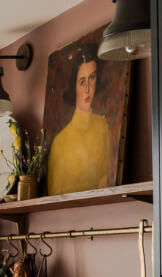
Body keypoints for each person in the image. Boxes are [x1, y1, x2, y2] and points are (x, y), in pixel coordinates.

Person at [47, 45, 113, 194]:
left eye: (92, 77)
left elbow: (107, 180)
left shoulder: (103, 126)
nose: (88, 89)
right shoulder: (59, 142)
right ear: (74, 86)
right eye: (82, 81)